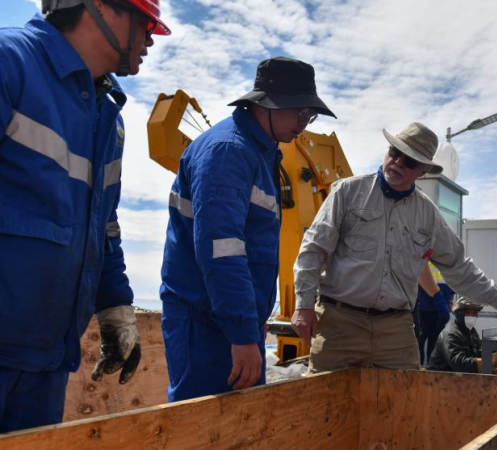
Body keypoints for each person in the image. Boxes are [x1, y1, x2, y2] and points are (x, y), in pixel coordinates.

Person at [0, 0, 169, 432]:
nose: (151, 39)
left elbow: (103, 225)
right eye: (146, 23)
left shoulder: (106, 113)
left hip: (47, 358)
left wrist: (114, 307)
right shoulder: (11, 64)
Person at [160, 57, 336, 402]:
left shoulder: (260, 152)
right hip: (206, 325)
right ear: (266, 104)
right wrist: (241, 335)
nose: (304, 122)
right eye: (299, 111)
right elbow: (222, 251)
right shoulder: (228, 152)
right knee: (200, 428)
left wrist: (251, 323)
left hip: (230, 321)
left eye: (309, 115)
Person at [292, 122, 497, 373]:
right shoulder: (347, 192)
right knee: (326, 403)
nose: (397, 163)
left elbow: (459, 267)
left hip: (395, 329)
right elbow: (313, 250)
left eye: (409, 162)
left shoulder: (427, 214)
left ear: (423, 170)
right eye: (394, 153)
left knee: (405, 403)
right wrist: (304, 305)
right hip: (339, 322)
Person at [427, 298, 497, 374]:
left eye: (474, 313)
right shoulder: (451, 334)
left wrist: (493, 351)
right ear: (460, 314)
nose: (472, 316)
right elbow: (458, 363)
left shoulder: (472, 332)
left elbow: (476, 352)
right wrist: (488, 361)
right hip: (439, 380)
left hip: (458, 379)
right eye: (468, 313)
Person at [416, 263, 454, 366]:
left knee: (435, 341)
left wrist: (450, 301)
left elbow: (452, 282)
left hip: (442, 308)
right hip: (426, 307)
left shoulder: (448, 259)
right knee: (420, 339)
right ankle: (418, 368)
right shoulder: (426, 254)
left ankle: (431, 367)